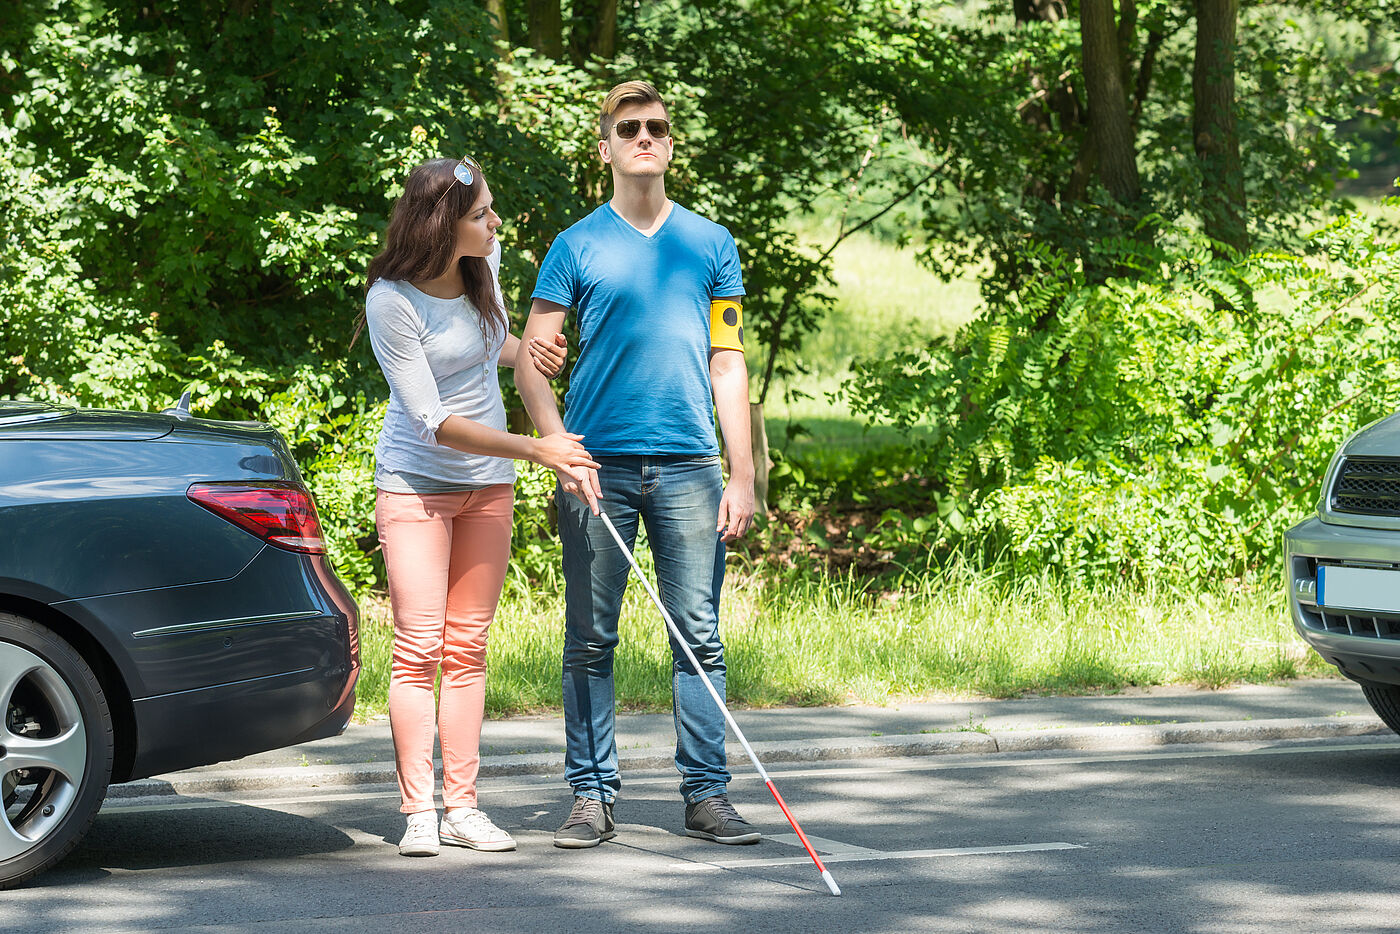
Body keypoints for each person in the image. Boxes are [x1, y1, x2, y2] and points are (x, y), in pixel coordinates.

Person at [515, 80, 759, 849]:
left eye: (656, 127)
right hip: (596, 467)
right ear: (607, 149)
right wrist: (556, 447)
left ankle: (707, 795)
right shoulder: (575, 244)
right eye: (630, 128)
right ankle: (591, 795)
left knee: (698, 636)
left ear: (671, 145)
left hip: (691, 466)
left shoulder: (712, 243)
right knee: (590, 637)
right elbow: (529, 361)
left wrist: (744, 472)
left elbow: (729, 361)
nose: (644, 137)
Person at [360, 156, 598, 857]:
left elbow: (487, 345)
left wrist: (532, 353)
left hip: (488, 487)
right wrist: (538, 449)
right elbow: (431, 418)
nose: (494, 222)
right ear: (442, 224)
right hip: (415, 485)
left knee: (467, 648)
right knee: (418, 648)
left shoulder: (482, 268)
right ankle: (418, 814)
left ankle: (462, 808)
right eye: (481, 214)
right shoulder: (390, 300)